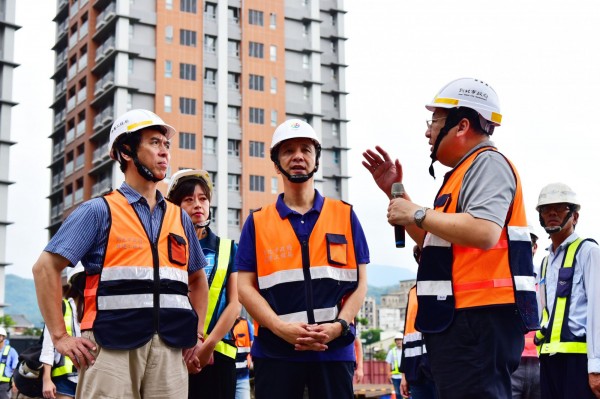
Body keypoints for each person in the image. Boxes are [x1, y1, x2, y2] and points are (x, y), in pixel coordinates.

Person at [363, 77, 539, 398]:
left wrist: (416, 212)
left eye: (435, 121)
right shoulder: (461, 174)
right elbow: (431, 242)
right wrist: (395, 193)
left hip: (480, 318)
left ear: (461, 126)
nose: (428, 131)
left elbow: (484, 231)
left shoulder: (488, 163)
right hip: (460, 320)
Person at [32, 109, 210, 399]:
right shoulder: (98, 211)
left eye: (166, 145)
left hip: (169, 348)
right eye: (154, 143)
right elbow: (44, 269)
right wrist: (60, 338)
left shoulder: (180, 219)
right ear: (126, 152)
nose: (164, 152)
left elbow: (198, 281)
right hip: (109, 347)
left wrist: (197, 333)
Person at [236, 119, 370, 399]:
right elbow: (245, 287)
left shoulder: (345, 215)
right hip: (276, 352)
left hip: (333, 351)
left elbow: (360, 284)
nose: (298, 156)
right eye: (288, 151)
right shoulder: (257, 222)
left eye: (306, 149)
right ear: (276, 163)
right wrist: (280, 328)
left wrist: (339, 327)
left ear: (316, 160)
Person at [166, 169, 241, 399]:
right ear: (175, 206)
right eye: (188, 199)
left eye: (203, 198)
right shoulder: (163, 249)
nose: (198, 205)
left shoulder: (228, 248)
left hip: (217, 356)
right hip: (172, 355)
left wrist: (205, 346)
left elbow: (235, 305)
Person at [534, 183, 600, 398]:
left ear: (575, 216)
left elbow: (597, 311)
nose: (552, 212)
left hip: (579, 362)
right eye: (546, 208)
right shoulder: (545, 262)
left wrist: (596, 366)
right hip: (549, 360)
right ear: (540, 217)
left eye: (560, 208)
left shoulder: (589, 252)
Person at [40, 264, 85, 399]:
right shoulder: (61, 307)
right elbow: (48, 347)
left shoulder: (98, 308)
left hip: (91, 377)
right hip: (64, 382)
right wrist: (46, 380)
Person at [400, 246, 437, 399]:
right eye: (419, 254)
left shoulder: (447, 288)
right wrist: (404, 373)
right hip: (415, 371)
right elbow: (406, 333)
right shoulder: (413, 292)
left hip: (439, 369)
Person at [511, 228, 541, 399]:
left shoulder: (546, 275)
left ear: (535, 247)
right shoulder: (504, 277)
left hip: (540, 361)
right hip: (511, 362)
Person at [233, 315, 254, 399]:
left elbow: (252, 347)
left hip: (242, 377)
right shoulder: (217, 323)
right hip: (221, 376)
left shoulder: (245, 324)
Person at [0, 326, 18, 399]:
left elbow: (15, 368)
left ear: (4, 337)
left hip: (5, 384)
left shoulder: (11, 351)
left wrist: (15, 382)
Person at [386, 333, 404, 397]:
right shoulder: (392, 351)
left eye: (400, 340)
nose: (399, 341)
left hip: (405, 377)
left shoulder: (406, 350)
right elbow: (388, 363)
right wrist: (388, 374)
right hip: (395, 377)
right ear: (395, 341)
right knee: (398, 393)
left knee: (407, 392)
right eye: (397, 340)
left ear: (403, 340)